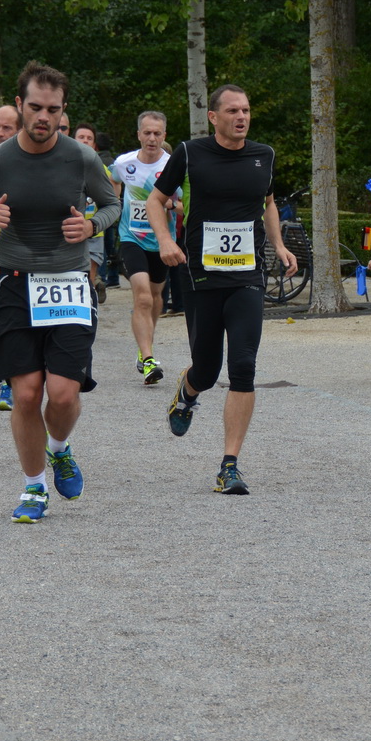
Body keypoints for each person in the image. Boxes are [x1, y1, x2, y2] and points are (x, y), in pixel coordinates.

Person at [0, 62, 119, 523]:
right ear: (20, 105)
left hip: (68, 284)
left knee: (62, 395)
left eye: (54, 110)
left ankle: (59, 448)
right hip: (15, 284)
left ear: (63, 111)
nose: (44, 117)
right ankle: (33, 487)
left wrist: (90, 224)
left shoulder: (81, 158)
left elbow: (112, 205)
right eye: (36, 107)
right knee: (25, 395)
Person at [150, 84, 296, 496]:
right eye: (232, 110)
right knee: (208, 370)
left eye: (246, 110)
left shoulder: (263, 155)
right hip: (200, 275)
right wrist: (165, 241)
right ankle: (188, 390)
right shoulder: (190, 153)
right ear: (213, 117)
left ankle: (229, 465)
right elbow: (156, 201)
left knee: (244, 367)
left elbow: (267, 202)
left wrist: (280, 245)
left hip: (247, 275)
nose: (241, 117)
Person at [110, 111, 171, 385]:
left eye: (157, 133)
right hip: (131, 237)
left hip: (161, 240)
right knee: (143, 297)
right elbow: (112, 181)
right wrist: (114, 201)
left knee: (156, 297)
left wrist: (169, 205)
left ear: (164, 136)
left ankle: (145, 346)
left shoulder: (173, 165)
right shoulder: (124, 163)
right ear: (138, 135)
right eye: (147, 133)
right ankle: (148, 360)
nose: (152, 138)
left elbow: (186, 204)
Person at [0, 104, 20, 414]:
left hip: (14, 261)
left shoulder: (29, 163)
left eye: (5, 128)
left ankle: (8, 385)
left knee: (7, 327)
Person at [73, 122, 109, 302]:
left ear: (94, 145)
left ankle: (87, 311)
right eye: (81, 137)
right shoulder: (64, 166)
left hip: (94, 230)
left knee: (88, 278)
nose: (85, 141)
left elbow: (111, 199)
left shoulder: (100, 169)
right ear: (73, 140)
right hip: (70, 229)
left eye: (89, 138)